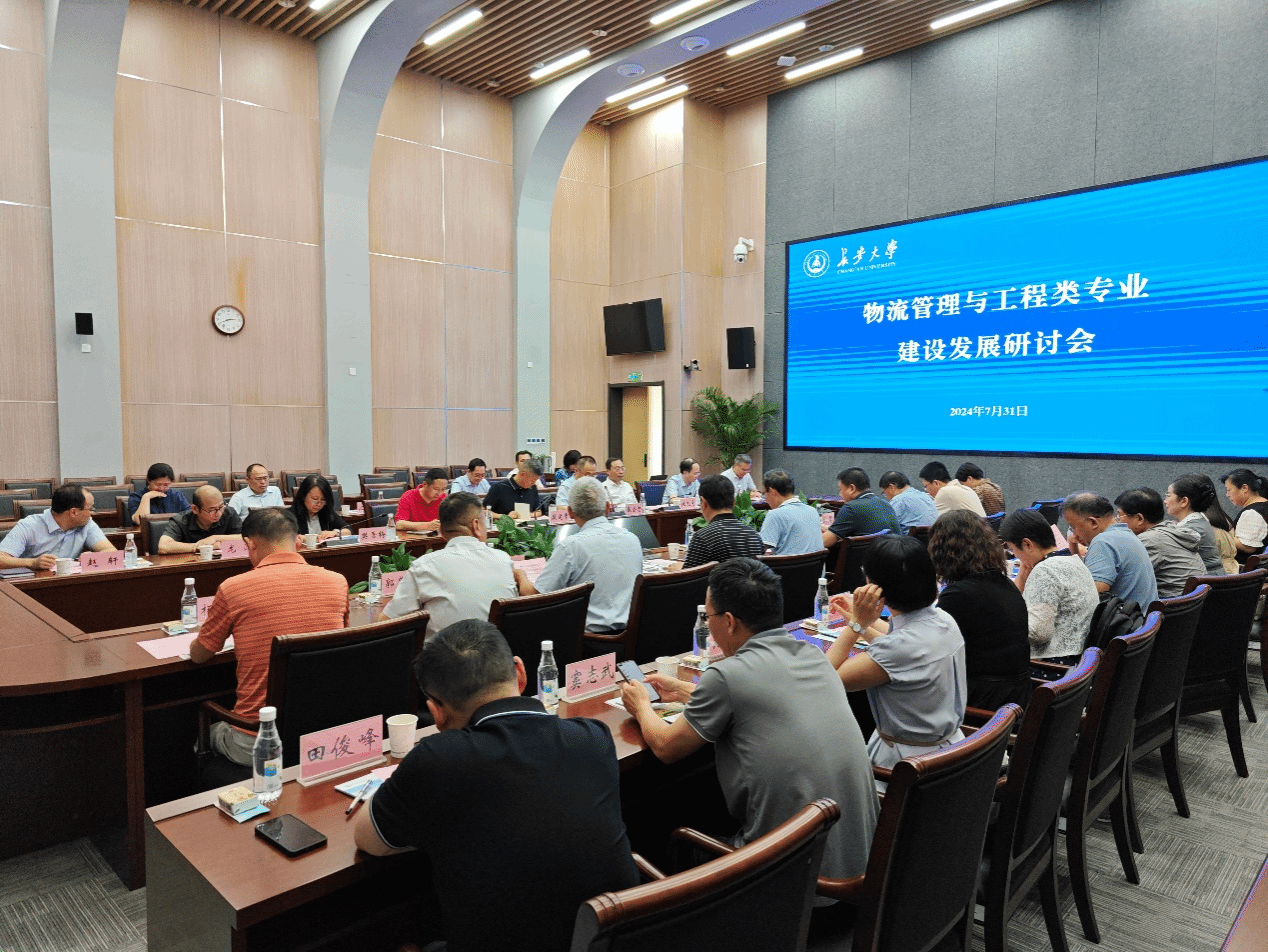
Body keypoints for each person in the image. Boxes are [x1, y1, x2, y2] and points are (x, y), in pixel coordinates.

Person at [355, 620, 638, 952]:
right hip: (608, 942)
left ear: (436, 713)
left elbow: (369, 839)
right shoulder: (593, 737)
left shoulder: (437, 759)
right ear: (520, 672)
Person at [619, 559, 878, 881]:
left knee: (662, 833)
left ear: (728, 622)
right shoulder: (810, 654)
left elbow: (666, 748)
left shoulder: (727, 676)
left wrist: (641, 705)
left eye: (708, 617)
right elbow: (763, 693)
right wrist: (687, 691)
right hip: (863, 867)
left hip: (794, 880)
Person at [189, 508, 349, 765]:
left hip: (257, 739)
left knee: (204, 733)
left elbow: (199, 655)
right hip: (322, 732)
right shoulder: (337, 582)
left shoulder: (233, 588)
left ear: (249, 544)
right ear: (298, 541)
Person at [824, 535, 967, 784]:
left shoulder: (897, 649)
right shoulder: (944, 620)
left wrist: (856, 625)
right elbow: (898, 643)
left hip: (903, 770)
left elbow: (824, 679)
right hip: (949, 753)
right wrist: (857, 621)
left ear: (874, 587)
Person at [928, 510, 1031, 709]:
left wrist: (866, 625)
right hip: (1014, 699)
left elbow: (925, 652)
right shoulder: (1004, 584)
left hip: (981, 704)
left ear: (940, 551)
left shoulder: (958, 596)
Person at [515, 477, 642, 635]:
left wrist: (520, 575)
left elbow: (535, 597)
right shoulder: (632, 539)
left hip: (587, 641)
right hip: (633, 636)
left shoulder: (570, 547)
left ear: (570, 512)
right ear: (608, 507)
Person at [383, 492, 518, 637]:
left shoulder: (424, 565)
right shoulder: (503, 559)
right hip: (498, 649)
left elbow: (387, 621)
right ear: (476, 525)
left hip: (446, 651)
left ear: (441, 531)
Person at [1001, 507, 1099, 662]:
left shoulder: (1046, 570)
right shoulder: (1073, 560)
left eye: (1013, 549)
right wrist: (1022, 575)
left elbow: (1037, 633)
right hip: (1081, 660)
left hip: (1055, 664)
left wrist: (1002, 621)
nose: (1016, 556)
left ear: (1027, 544)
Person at [1062, 491, 1158, 608]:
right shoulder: (1126, 534)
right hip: (1142, 617)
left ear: (1093, 522)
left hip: (1127, 619)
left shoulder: (1103, 542)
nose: (1074, 534)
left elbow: (1093, 598)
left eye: (1073, 527)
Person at [1115, 487, 1206, 599]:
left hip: (1172, 606)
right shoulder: (1170, 530)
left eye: (1119, 516)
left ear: (1139, 519)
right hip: (1191, 605)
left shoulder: (1149, 540)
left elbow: (1124, 581)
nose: (1117, 521)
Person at [0, 484, 114, 571]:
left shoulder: (87, 523)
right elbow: (1, 558)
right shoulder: (29, 526)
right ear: (73, 512)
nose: (92, 513)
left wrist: (96, 557)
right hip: (32, 585)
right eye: (90, 508)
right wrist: (32, 563)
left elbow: (112, 552)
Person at [680, 475, 765, 569]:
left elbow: (690, 574)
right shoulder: (754, 535)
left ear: (703, 503)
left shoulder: (703, 537)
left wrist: (679, 569)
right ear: (734, 502)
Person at [1164, 475, 1227, 576]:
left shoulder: (1191, 529)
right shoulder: (1198, 520)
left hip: (1206, 582)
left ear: (1184, 501)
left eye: (1168, 495)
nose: (1165, 501)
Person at [822, 467, 899, 548]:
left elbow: (825, 542)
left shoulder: (851, 508)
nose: (840, 494)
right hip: (888, 553)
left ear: (852, 488)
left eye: (840, 489)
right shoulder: (885, 504)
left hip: (863, 555)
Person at [157, 485, 243, 554]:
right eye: (212, 510)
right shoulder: (181, 520)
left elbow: (246, 538)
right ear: (195, 509)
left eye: (221, 507)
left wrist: (215, 538)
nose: (219, 513)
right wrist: (203, 547)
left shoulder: (229, 513)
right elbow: (163, 546)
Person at [758, 469, 823, 556]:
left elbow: (760, 550)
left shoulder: (775, 515)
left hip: (787, 565)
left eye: (764, 493)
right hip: (815, 564)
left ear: (772, 492)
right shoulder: (812, 511)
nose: (765, 498)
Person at [1222, 468, 1268, 564]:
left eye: (1229, 490)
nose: (1227, 495)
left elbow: (1248, 547)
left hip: (1245, 570)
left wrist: (1221, 536)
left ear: (1244, 488)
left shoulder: (1252, 513)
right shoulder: (1263, 506)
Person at [1198, 474, 1241, 574]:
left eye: (1169, 495)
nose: (1166, 501)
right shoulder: (1222, 517)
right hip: (1231, 572)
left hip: (1216, 577)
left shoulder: (1200, 521)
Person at [288, 474, 350, 541]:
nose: (319, 504)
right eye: (314, 499)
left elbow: (348, 529)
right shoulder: (289, 515)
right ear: (303, 496)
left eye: (323, 499)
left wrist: (336, 533)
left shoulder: (326, 512)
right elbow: (286, 538)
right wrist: (311, 538)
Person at [877, 470, 938, 535]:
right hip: (933, 538)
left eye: (884, 493)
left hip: (912, 540)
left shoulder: (898, 500)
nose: (886, 497)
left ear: (891, 487)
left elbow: (885, 526)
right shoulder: (925, 496)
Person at [919, 461, 986, 517]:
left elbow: (930, 518)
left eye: (926, 486)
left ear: (936, 483)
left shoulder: (945, 491)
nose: (926, 490)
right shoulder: (963, 488)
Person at [396, 467, 449, 532]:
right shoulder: (408, 496)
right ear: (425, 484)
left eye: (443, 489)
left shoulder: (444, 498)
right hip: (413, 537)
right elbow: (399, 524)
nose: (439, 493)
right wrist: (427, 526)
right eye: (436, 489)